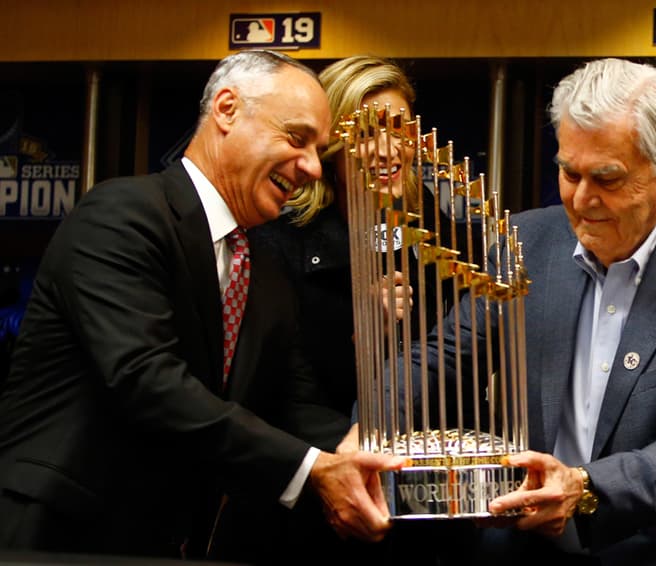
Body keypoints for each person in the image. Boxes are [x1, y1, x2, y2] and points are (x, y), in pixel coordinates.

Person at [0, 49, 406, 560]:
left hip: (172, 539)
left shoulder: (266, 269)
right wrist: (311, 469)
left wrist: (377, 454)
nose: (311, 167)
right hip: (61, 534)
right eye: (297, 139)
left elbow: (292, 402)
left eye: (317, 151)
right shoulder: (122, 215)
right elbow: (145, 379)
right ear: (227, 109)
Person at [400, 58, 656, 564]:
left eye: (607, 178)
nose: (582, 200)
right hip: (538, 544)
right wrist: (370, 428)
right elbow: (446, 354)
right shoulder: (524, 242)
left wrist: (582, 487)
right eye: (568, 172)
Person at [217, 54, 477, 565]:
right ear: (329, 148)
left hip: (435, 518)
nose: (386, 149)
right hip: (316, 516)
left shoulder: (460, 247)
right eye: (365, 133)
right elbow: (273, 392)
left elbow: (474, 383)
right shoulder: (275, 245)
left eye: (399, 129)